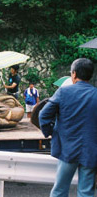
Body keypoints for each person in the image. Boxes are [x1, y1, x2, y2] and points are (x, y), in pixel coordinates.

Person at [39, 58, 97, 197]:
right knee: (86, 192)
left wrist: (50, 132)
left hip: (67, 149)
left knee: (59, 190)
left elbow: (43, 115)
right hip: (91, 151)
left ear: (74, 74)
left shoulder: (63, 92)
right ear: (91, 75)